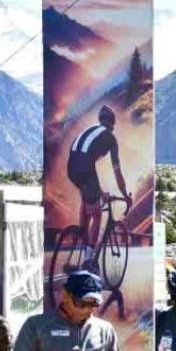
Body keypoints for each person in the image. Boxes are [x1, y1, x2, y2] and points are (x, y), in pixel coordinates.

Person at [66, 106, 131, 261]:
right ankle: (88, 259)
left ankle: (82, 234)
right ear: (112, 124)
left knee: (87, 198)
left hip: (71, 168)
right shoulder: (111, 139)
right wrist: (125, 195)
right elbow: (117, 172)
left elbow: (88, 171)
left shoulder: (90, 130)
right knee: (96, 214)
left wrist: (100, 192)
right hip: (85, 169)